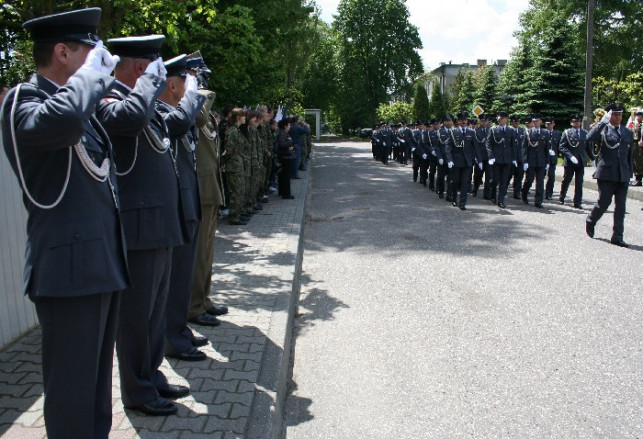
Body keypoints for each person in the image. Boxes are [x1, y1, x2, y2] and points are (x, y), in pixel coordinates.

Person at [1, 8, 129, 438]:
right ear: (61, 52)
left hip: (99, 262)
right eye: (89, 51)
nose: (98, 60)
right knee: (71, 393)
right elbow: (64, 120)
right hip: (68, 271)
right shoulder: (25, 101)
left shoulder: (82, 104)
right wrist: (92, 78)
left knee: (94, 390)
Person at [98, 35, 188, 416]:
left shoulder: (144, 102)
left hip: (159, 223)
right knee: (136, 317)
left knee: (154, 311)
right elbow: (130, 120)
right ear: (141, 68)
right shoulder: (110, 100)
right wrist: (151, 83)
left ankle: (151, 375)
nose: (161, 76)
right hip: (138, 227)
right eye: (154, 68)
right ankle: (136, 389)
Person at [155, 55, 209, 360]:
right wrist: (192, 96)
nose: (193, 86)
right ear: (172, 84)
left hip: (188, 204)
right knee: (174, 281)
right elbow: (182, 122)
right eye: (187, 80)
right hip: (176, 208)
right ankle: (171, 338)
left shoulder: (176, 110)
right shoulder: (162, 112)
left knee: (183, 278)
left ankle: (178, 328)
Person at [188, 53, 229, 330]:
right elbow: (199, 120)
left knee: (208, 252)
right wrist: (197, 91)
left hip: (210, 186)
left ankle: (204, 298)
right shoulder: (187, 104)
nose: (204, 81)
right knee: (198, 253)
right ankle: (192, 306)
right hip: (199, 189)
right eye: (199, 75)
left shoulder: (198, 105)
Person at [585, 103, 635, 248]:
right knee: (604, 203)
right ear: (609, 115)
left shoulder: (627, 132)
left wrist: (629, 173)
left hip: (622, 175)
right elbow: (589, 138)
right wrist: (602, 123)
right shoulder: (603, 130)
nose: (618, 117)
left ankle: (617, 236)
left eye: (620, 114)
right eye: (615, 114)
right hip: (606, 173)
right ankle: (591, 219)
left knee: (621, 206)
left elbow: (629, 155)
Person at [558, 114, 593, 208]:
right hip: (570, 161)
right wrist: (570, 156)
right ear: (571, 123)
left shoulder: (585, 133)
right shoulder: (567, 132)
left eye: (577, 121)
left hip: (581, 161)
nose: (576, 123)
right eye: (574, 121)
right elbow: (562, 146)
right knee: (567, 180)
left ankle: (577, 202)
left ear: (580, 122)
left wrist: (593, 158)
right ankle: (562, 196)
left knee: (579, 182)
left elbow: (588, 147)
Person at [223, 108, 251, 224]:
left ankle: (238, 213)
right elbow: (228, 150)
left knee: (240, 190)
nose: (245, 118)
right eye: (243, 116)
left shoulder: (237, 130)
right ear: (238, 117)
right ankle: (233, 216)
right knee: (236, 191)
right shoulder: (233, 131)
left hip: (238, 164)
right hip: (233, 166)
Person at [446, 112, 478, 210]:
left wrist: (479, 160)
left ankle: (462, 202)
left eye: (465, 120)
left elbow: (476, 147)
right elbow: (448, 147)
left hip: (467, 162)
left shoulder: (471, 132)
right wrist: (450, 159)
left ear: (467, 121)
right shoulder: (453, 132)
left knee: (465, 183)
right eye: (461, 120)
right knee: (455, 182)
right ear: (458, 121)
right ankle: (454, 198)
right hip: (456, 161)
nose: (463, 122)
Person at [486, 111, 518, 208]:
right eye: (499, 117)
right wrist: (491, 156)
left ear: (506, 119)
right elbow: (488, 144)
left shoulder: (510, 130)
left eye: (502, 117)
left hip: (507, 159)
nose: (499, 119)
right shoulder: (493, 130)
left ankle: (501, 200)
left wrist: (514, 158)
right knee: (494, 180)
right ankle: (493, 194)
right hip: (496, 159)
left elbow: (513, 145)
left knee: (504, 181)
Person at [521, 114, 550, 208]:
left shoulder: (545, 133)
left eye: (537, 120)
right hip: (530, 160)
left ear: (540, 121)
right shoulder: (528, 132)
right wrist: (524, 161)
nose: (535, 122)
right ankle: (524, 193)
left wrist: (547, 162)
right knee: (529, 180)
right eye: (533, 121)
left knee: (540, 182)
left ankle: (538, 201)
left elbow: (547, 148)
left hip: (541, 161)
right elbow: (524, 148)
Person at [277, 118, 295, 199]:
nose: (290, 126)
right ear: (285, 126)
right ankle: (286, 194)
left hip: (286, 156)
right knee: (286, 176)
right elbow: (282, 144)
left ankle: (283, 192)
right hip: (285, 157)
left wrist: (291, 146)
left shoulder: (283, 133)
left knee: (283, 175)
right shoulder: (283, 133)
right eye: (289, 125)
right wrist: (290, 142)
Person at [544, 116, 561, 199]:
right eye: (547, 124)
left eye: (550, 124)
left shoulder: (557, 134)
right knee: (540, 177)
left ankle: (549, 193)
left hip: (552, 159)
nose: (548, 125)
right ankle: (538, 192)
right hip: (543, 158)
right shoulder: (542, 132)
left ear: (553, 124)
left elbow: (559, 146)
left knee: (552, 177)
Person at [631, 109, 643, 186]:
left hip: (640, 146)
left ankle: (639, 179)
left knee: (639, 162)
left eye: (639, 115)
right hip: (635, 145)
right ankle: (636, 178)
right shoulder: (637, 124)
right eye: (637, 115)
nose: (637, 117)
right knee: (635, 161)